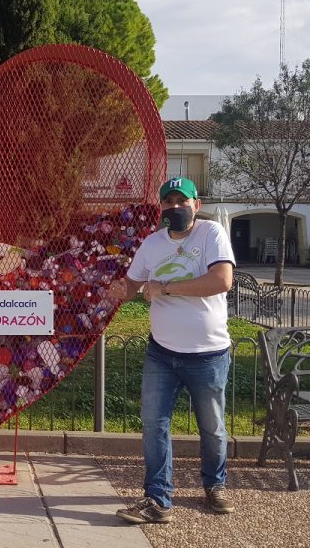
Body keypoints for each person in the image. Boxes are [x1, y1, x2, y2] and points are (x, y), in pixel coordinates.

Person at [108, 177, 236, 524]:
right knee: (154, 425)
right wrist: (118, 288)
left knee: (211, 427)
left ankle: (215, 485)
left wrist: (165, 287)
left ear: (196, 205)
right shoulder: (151, 244)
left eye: (183, 201)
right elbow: (133, 283)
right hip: (161, 353)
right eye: (169, 202)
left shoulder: (210, 234)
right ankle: (157, 498)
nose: (175, 207)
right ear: (161, 207)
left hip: (208, 354)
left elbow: (222, 280)